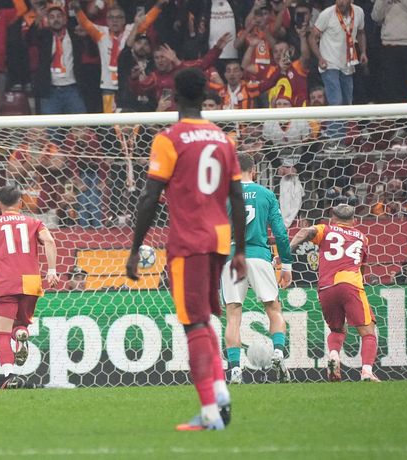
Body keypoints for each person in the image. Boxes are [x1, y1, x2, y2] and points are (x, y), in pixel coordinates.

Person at [125, 68, 245, 431]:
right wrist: (238, 251)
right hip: (221, 240)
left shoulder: (168, 139)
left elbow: (149, 196)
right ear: (206, 94)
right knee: (205, 319)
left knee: (192, 323)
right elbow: (236, 196)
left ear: (174, 96)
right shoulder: (225, 140)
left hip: (189, 241)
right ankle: (221, 398)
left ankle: (209, 413)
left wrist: (135, 247)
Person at [0, 185, 59, 376]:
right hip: (31, 282)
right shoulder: (34, 222)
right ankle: (21, 335)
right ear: (20, 202)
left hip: (6, 283)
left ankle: (7, 374)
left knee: (2, 333)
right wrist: (51, 271)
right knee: (20, 324)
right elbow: (49, 241)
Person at [221, 153, 293, 384]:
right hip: (260, 256)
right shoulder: (266, 194)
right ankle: (278, 353)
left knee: (233, 315)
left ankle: (234, 370)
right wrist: (287, 264)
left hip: (232, 256)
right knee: (274, 309)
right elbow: (281, 233)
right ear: (254, 171)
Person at [289, 204, 379, 382]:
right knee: (368, 331)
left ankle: (334, 356)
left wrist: (286, 252)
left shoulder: (325, 229)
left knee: (337, 329)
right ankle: (367, 372)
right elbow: (361, 267)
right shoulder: (362, 237)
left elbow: (303, 232)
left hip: (326, 288)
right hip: (351, 284)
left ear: (332, 218)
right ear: (354, 221)